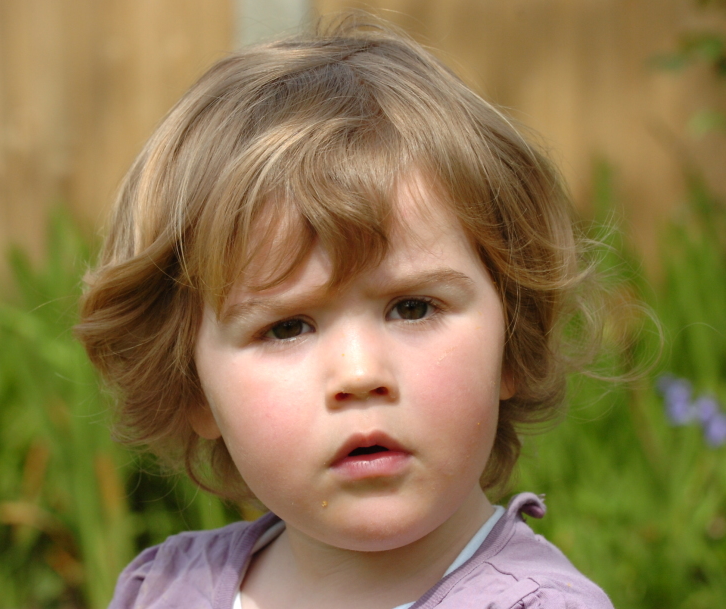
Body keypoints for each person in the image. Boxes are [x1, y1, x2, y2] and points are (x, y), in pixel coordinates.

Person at [77, 13, 615, 609]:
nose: (360, 374)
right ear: (194, 389)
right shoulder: (162, 592)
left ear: (511, 342)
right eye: (286, 327)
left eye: (413, 307)